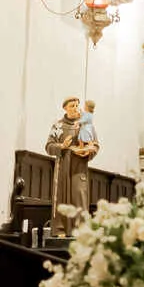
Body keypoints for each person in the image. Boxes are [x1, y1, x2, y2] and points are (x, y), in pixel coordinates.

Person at [46, 95, 98, 235]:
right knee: (61, 200)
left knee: (79, 198)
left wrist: (87, 152)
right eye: (72, 106)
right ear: (65, 108)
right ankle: (60, 231)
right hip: (62, 167)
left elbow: (95, 146)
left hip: (79, 168)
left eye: (77, 105)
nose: (75, 108)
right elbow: (49, 146)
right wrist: (61, 146)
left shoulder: (86, 125)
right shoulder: (58, 126)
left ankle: (79, 232)